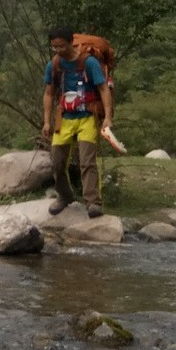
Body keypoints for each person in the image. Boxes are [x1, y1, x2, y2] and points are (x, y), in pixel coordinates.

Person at [41, 25, 114, 218]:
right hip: (64, 118)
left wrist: (107, 117)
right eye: (54, 47)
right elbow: (49, 93)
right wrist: (46, 122)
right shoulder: (54, 65)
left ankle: (93, 203)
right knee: (57, 162)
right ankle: (64, 196)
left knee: (87, 162)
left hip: (87, 118)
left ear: (71, 42)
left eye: (61, 46)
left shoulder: (88, 63)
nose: (58, 51)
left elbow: (103, 89)